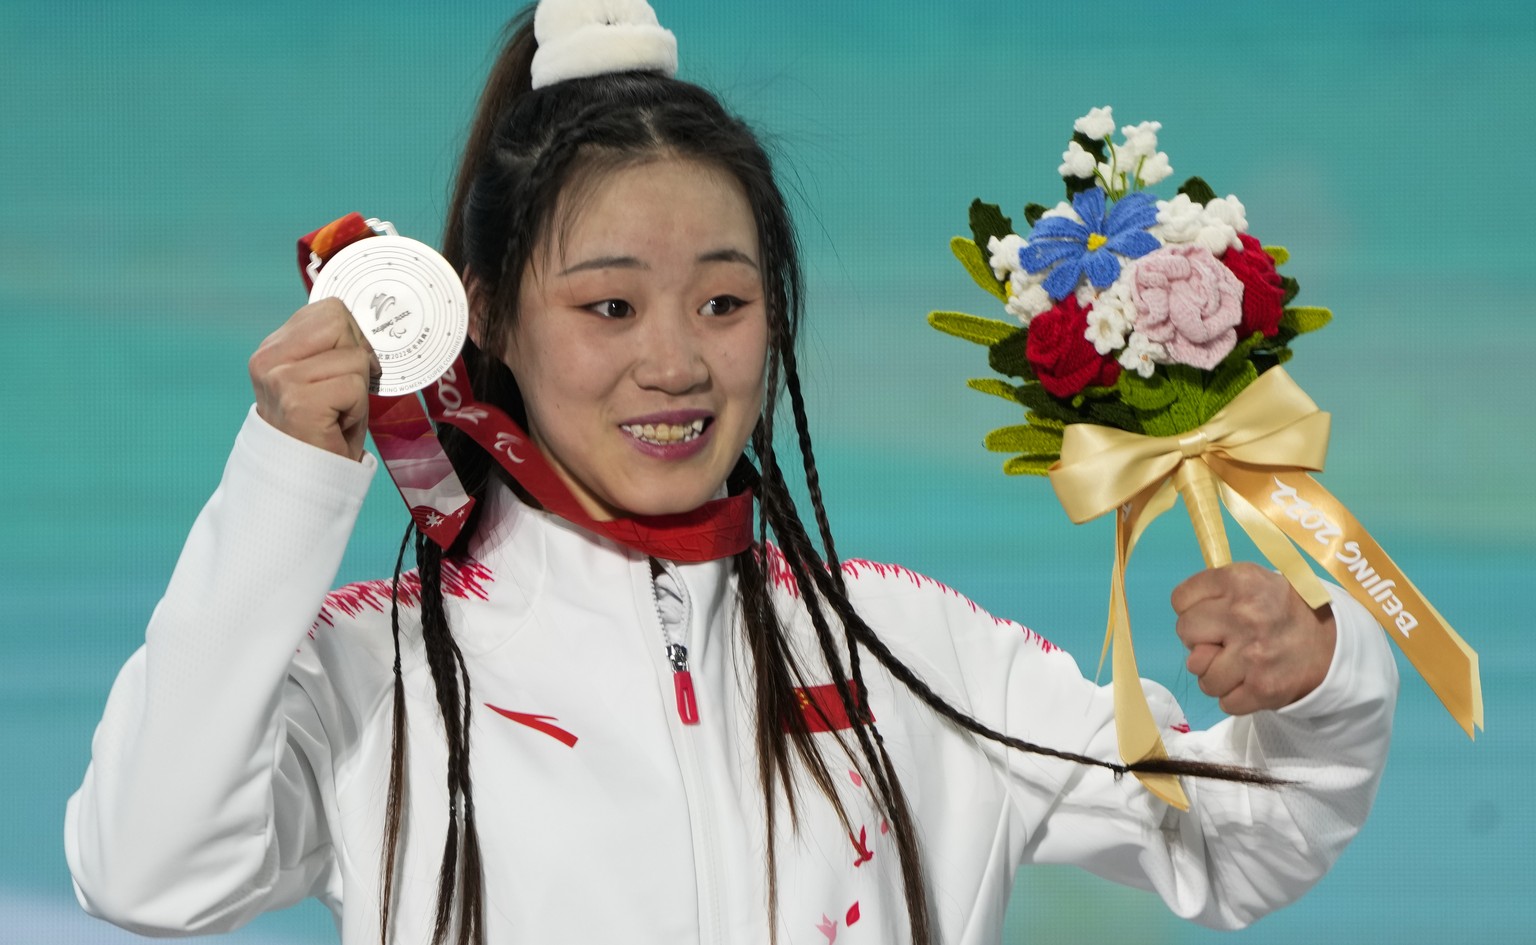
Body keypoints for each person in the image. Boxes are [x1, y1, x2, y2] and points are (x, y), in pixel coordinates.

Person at [64, 2, 1397, 943]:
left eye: (721, 303)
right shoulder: (380, 676)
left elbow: (1234, 845)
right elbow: (150, 867)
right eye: (607, 309)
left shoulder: (914, 649)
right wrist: (286, 477)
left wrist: (1320, 682)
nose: (676, 365)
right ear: (488, 319)